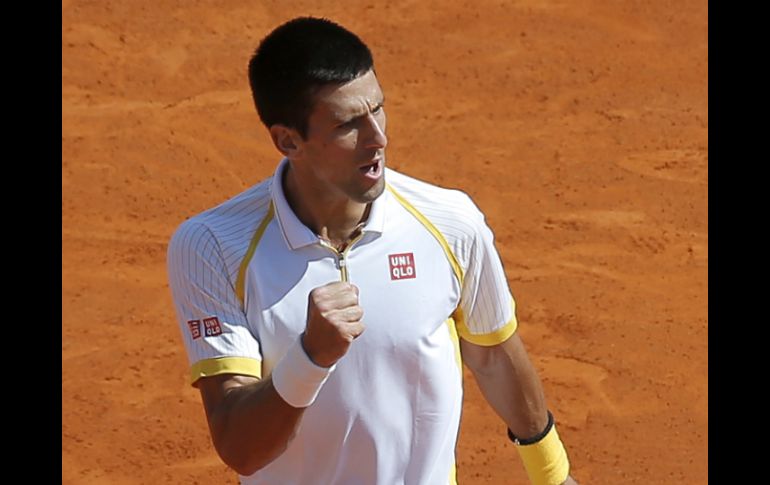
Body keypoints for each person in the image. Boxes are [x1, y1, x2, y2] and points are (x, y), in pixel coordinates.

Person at [167, 16, 579, 485]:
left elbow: (493, 356)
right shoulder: (213, 246)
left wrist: (553, 475)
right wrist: (310, 357)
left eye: (378, 109)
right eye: (348, 124)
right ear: (288, 140)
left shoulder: (449, 222)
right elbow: (241, 448)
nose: (378, 138)